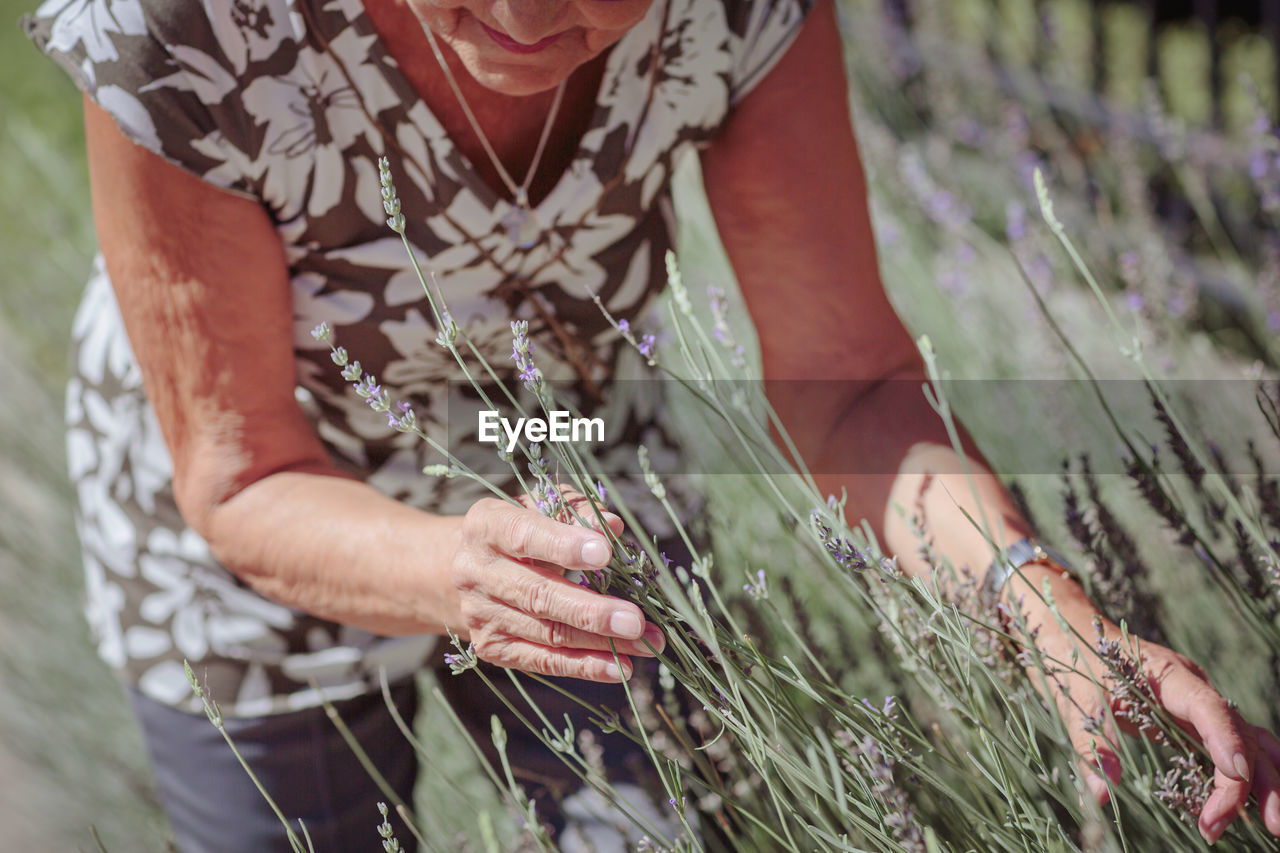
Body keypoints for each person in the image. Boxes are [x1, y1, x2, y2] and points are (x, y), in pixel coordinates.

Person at [23, 0, 1280, 849]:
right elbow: (237, 474)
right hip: (258, 526)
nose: (517, 20)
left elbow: (844, 386)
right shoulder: (177, 22)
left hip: (572, 474)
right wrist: (459, 576)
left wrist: (1038, 604)